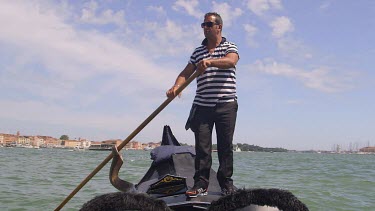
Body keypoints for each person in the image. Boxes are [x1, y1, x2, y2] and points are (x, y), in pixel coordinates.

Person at [166, 12, 239, 197]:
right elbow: (185, 73)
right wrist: (176, 86)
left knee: (225, 146)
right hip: (202, 106)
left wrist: (211, 61)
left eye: (208, 24)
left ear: (218, 27)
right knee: (202, 148)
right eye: (203, 25)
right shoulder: (198, 52)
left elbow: (231, 61)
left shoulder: (230, 46)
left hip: (226, 105)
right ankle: (201, 184)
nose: (204, 28)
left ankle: (226, 184)